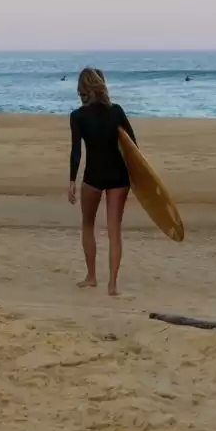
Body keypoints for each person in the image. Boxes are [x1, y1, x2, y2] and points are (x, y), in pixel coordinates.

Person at [68, 67, 137, 296]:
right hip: (119, 176)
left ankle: (91, 277)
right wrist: (139, 178)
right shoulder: (116, 111)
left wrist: (71, 181)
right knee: (114, 231)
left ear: (83, 89)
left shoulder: (77, 116)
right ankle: (113, 285)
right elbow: (132, 146)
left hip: (94, 176)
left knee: (88, 225)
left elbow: (76, 152)